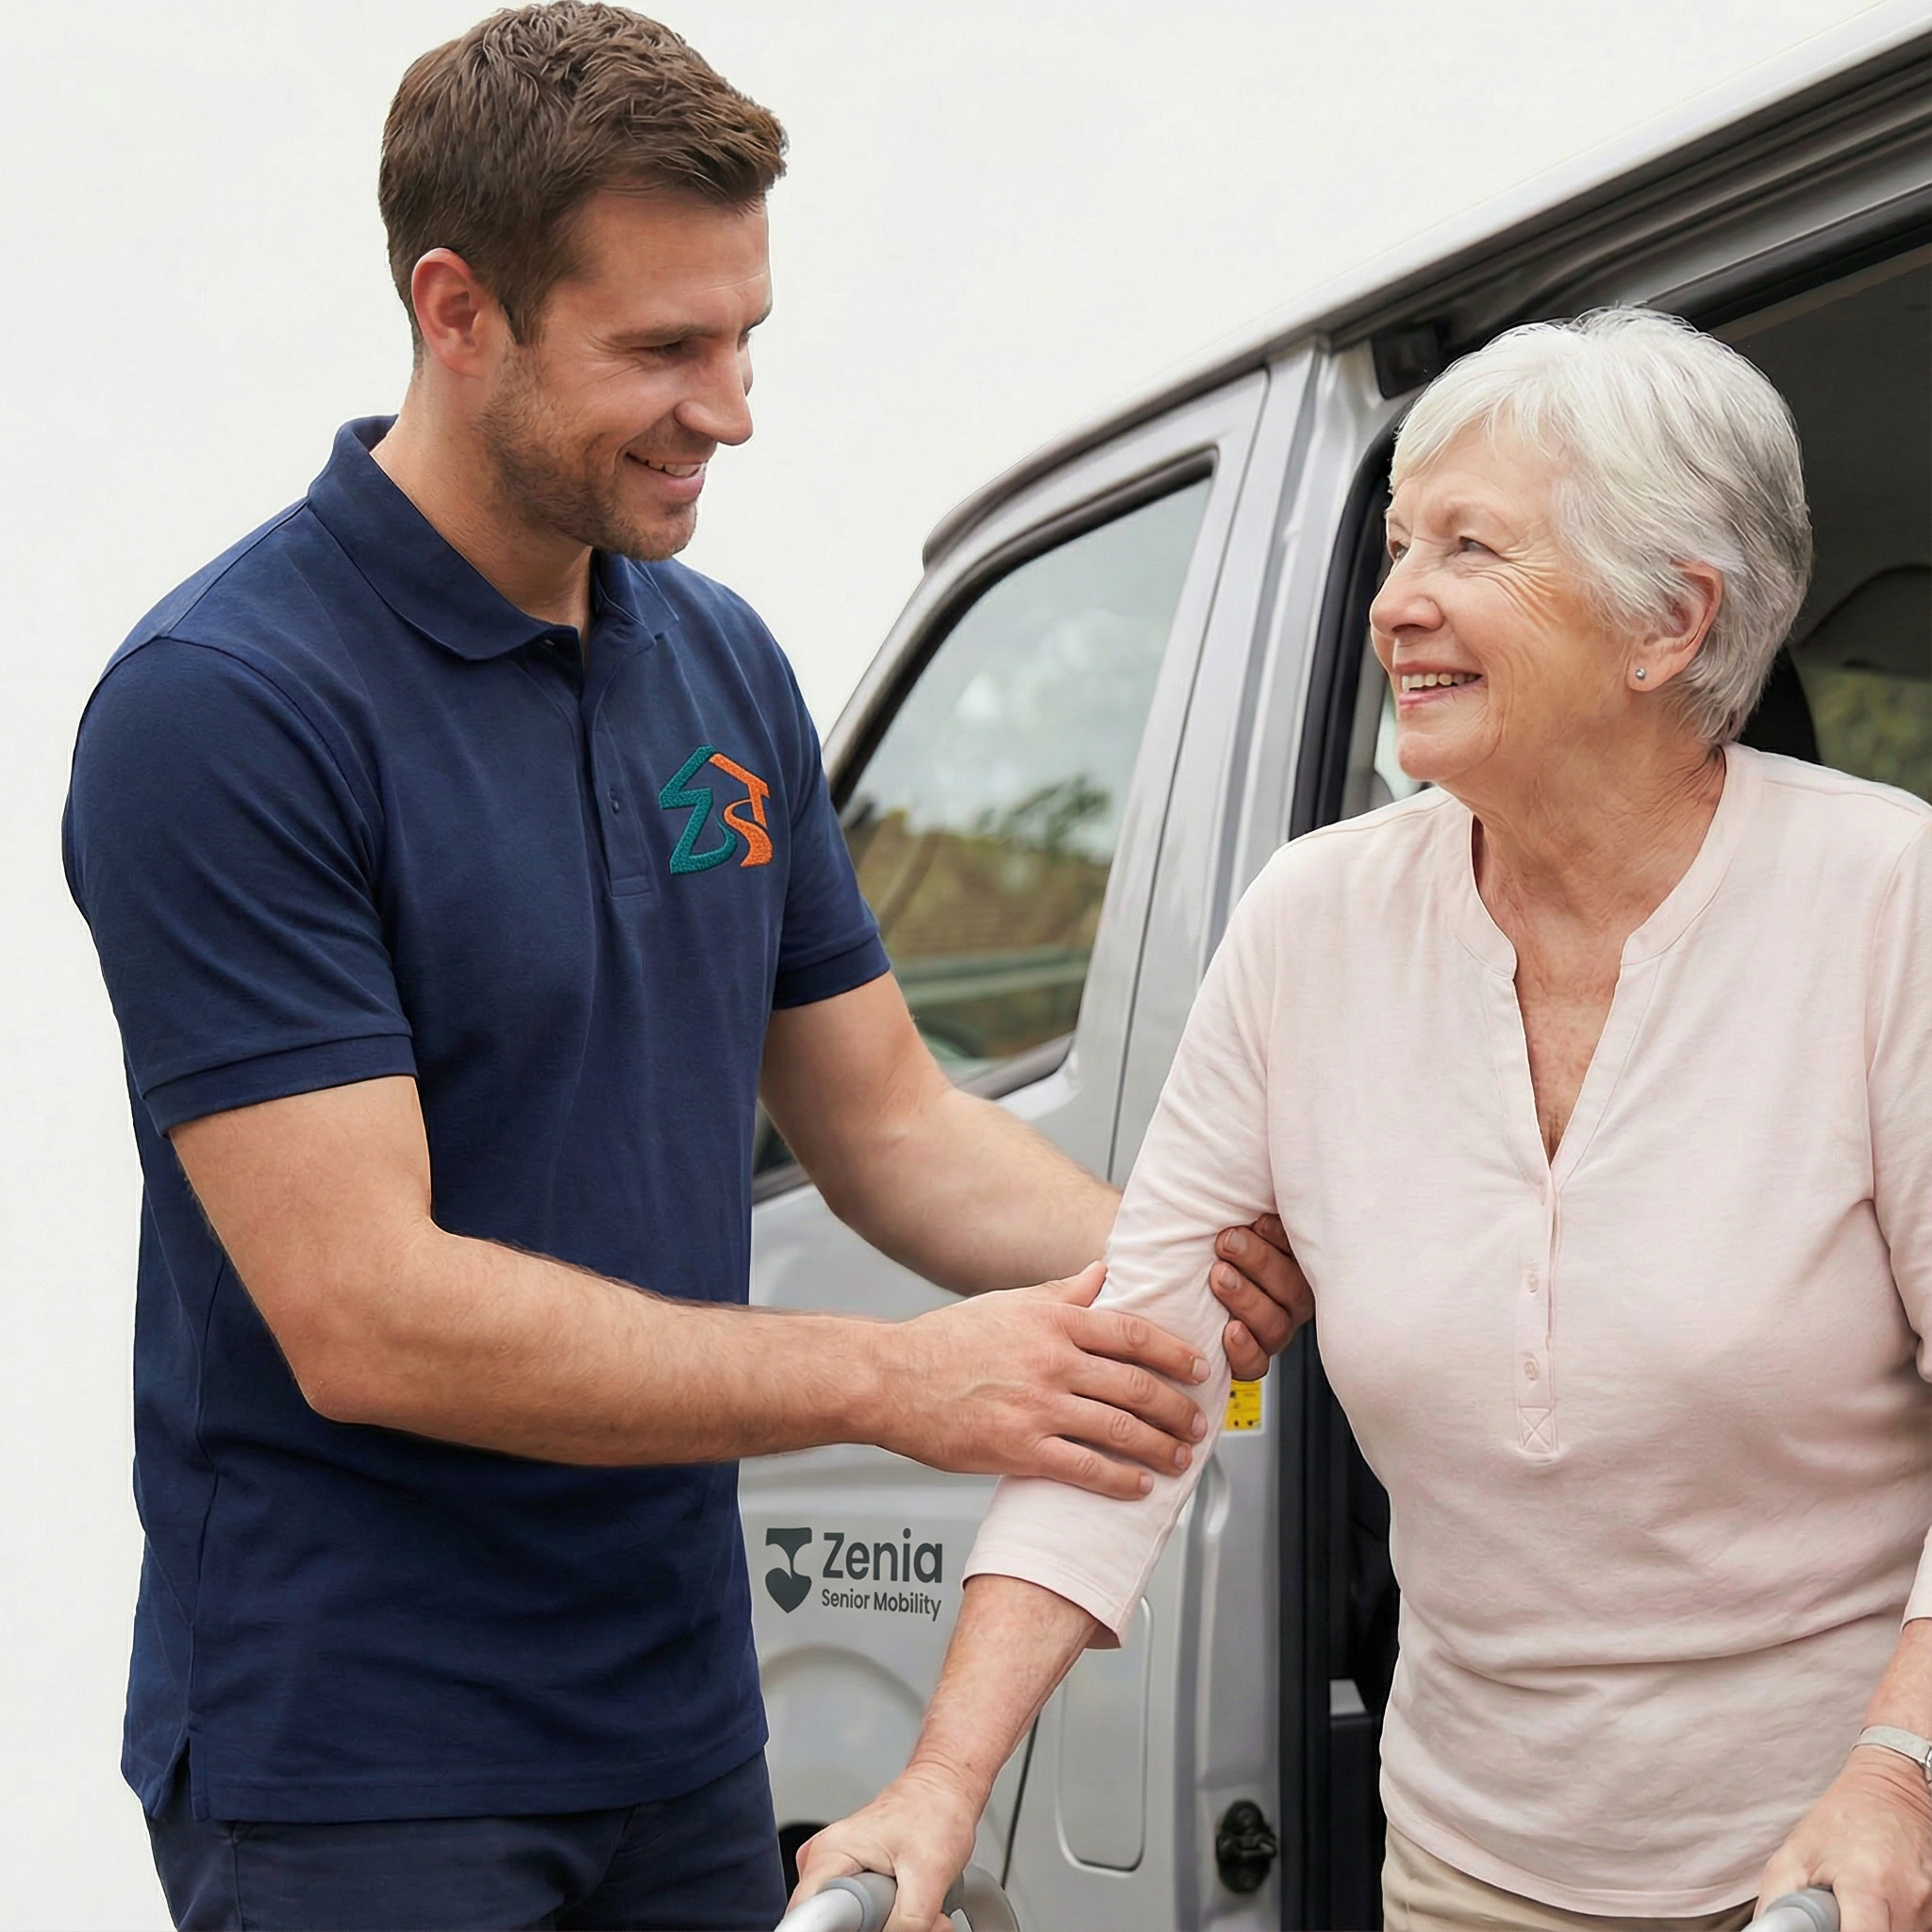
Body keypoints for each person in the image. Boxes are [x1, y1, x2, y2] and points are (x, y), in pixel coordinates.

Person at [59, 8, 1307, 1929]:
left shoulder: (714, 664)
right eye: (661, 349)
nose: (726, 407)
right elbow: (365, 1310)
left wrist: (1155, 1259)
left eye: (743, 340)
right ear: (458, 310)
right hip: (360, 1765)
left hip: (676, 1730)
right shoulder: (228, 710)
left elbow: (886, 1119)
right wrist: (898, 1383)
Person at [794, 308, 1932, 1932]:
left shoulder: (1890, 904)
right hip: (1476, 1872)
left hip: (1854, 1866)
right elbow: (1136, 1382)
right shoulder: (1314, 922)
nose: (1397, 600)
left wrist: (1901, 1773)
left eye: (1472, 547)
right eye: (1401, 540)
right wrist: (940, 1785)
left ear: (1668, 622)